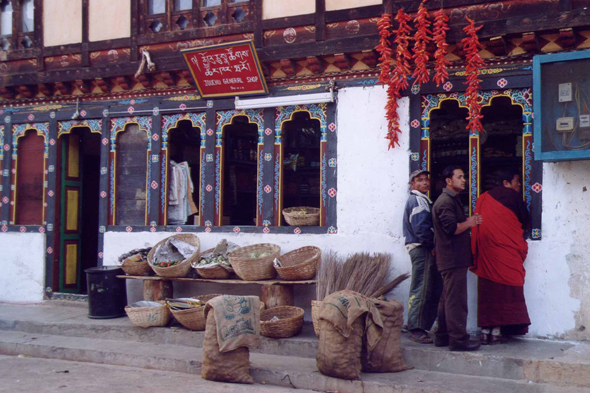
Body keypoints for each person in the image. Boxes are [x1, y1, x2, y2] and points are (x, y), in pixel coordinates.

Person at [470, 169, 531, 344]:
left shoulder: (482, 198)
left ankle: (485, 331)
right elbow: (525, 221)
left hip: (487, 254)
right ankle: (497, 331)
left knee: (489, 290)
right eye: (516, 181)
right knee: (507, 290)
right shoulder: (513, 196)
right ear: (506, 183)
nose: (519, 185)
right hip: (507, 251)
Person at [432, 165, 481, 351]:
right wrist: (470, 222)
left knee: (448, 299)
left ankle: (443, 336)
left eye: (464, 177)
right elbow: (452, 229)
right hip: (452, 258)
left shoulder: (451, 200)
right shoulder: (445, 202)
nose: (464, 180)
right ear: (448, 181)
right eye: (459, 177)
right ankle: (459, 340)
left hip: (453, 257)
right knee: (456, 301)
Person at [402, 169, 443, 344]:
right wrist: (431, 245)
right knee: (422, 287)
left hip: (422, 248)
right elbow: (421, 228)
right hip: (422, 249)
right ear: (413, 185)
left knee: (426, 286)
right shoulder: (418, 199)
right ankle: (416, 328)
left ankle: (419, 325)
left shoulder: (423, 199)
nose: (425, 183)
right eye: (419, 180)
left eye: (426, 180)